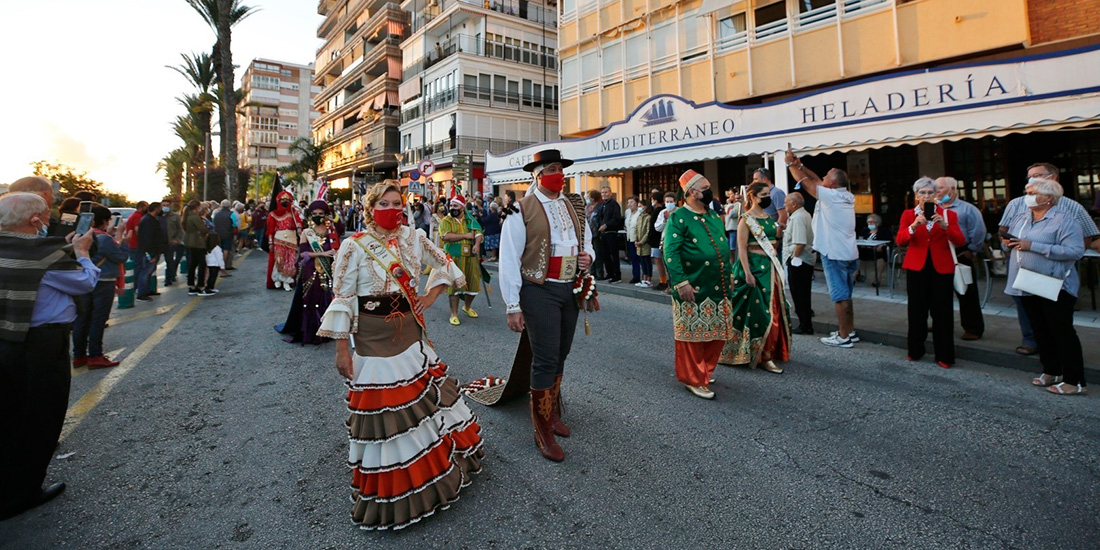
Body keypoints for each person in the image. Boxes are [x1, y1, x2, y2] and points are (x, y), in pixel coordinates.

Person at [316, 180, 483, 530]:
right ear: (370, 208)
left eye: (397, 203)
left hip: (410, 332)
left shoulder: (414, 237)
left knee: (420, 407)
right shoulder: (353, 245)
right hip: (373, 338)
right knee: (388, 415)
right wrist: (342, 349)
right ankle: (397, 487)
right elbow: (343, 299)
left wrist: (431, 296)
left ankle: (432, 475)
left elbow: (446, 267)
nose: (392, 210)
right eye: (385, 204)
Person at [487, 149, 595, 462]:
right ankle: (542, 429)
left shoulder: (573, 204)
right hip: (539, 289)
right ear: (536, 174)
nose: (558, 174)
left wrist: (590, 257)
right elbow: (508, 258)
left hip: (569, 287)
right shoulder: (522, 209)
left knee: (561, 352)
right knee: (546, 357)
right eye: (551, 168)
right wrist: (512, 304)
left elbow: (585, 243)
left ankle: (553, 413)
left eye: (560, 168)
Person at [0, 192, 99, 520]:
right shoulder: (43, 251)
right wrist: (81, 253)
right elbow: (84, 283)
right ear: (34, 220)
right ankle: (22, 492)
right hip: (41, 343)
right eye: (45, 214)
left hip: (6, 340)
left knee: (12, 416)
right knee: (42, 417)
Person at [999, 163, 1098, 355]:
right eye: (1029, 177)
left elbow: (1087, 236)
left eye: (1037, 175)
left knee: (1058, 323)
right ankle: (1034, 345)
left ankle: (1067, 369)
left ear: (1052, 178)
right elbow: (1004, 230)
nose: (1031, 180)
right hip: (1022, 271)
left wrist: (1061, 256)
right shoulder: (1018, 207)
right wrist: (1008, 243)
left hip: (1054, 274)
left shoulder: (1071, 208)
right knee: (1030, 314)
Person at [1001, 178, 1086, 395]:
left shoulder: (1064, 220)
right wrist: (1009, 243)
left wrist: (1033, 246)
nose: (1026, 195)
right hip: (1026, 282)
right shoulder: (1022, 216)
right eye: (1026, 190)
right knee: (1040, 329)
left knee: (1061, 331)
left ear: (1048, 198)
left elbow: (1075, 251)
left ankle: (1074, 380)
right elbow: (1017, 239)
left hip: (1055, 283)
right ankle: (1052, 370)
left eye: (1032, 192)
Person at [664, 170, 734, 399]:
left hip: (719, 285)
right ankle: (693, 378)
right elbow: (670, 252)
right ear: (691, 192)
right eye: (704, 188)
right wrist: (681, 282)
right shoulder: (678, 217)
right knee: (693, 335)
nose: (709, 191)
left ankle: (704, 370)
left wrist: (730, 273)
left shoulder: (713, 216)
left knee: (718, 333)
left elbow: (723, 249)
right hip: (693, 286)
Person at [786, 149, 859, 348]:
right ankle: (850, 331)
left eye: (828, 175)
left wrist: (791, 164)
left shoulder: (831, 197)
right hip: (848, 252)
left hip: (833, 253)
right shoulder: (844, 196)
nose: (824, 176)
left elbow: (807, 182)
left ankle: (843, 336)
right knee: (846, 295)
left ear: (833, 183)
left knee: (839, 296)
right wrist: (801, 165)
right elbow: (816, 179)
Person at [896, 177, 967, 368]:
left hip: (941, 267)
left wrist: (945, 227)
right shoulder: (908, 214)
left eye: (930, 192)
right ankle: (915, 350)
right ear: (916, 195)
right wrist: (914, 226)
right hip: (916, 267)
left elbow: (960, 240)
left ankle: (944, 355)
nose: (926, 196)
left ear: (936, 195)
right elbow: (900, 240)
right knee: (916, 310)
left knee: (942, 312)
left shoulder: (947, 215)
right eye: (922, 193)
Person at [721, 181, 791, 373]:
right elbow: (741, 249)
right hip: (752, 268)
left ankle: (769, 351)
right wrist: (748, 273)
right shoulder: (746, 219)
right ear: (753, 196)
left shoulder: (768, 218)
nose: (767, 198)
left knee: (775, 310)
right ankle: (760, 355)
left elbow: (774, 242)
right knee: (759, 312)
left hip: (769, 269)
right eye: (764, 195)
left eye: (768, 194)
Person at [72, 205, 128, 368]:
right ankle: (95, 355)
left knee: (82, 318)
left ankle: (79, 355)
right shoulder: (105, 239)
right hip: (103, 282)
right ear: (104, 221)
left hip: (82, 281)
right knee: (98, 318)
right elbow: (121, 257)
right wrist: (121, 238)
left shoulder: (79, 237)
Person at [277, 201, 339, 345]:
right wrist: (324, 253)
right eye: (315, 214)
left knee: (326, 298)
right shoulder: (307, 232)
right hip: (311, 269)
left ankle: (326, 330)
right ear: (310, 215)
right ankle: (311, 332)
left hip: (328, 269)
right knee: (312, 300)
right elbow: (303, 254)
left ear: (326, 215)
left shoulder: (331, 229)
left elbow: (338, 245)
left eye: (321, 214)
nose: (318, 216)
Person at [934, 177, 986, 340]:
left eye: (940, 188)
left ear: (952, 189)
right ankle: (939, 322)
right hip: (940, 252)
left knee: (967, 292)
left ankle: (973, 327)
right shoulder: (934, 209)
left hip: (961, 252)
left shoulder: (968, 209)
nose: (937, 192)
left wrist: (972, 249)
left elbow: (978, 232)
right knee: (938, 292)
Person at [439, 195, 483, 325]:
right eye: (451, 206)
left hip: (470, 257)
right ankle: (454, 314)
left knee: (473, 284)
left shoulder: (469, 220)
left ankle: (467, 307)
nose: (452, 208)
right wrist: (465, 235)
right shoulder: (446, 220)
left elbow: (479, 233)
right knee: (455, 286)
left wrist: (477, 244)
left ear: (462, 208)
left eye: (455, 206)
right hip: (454, 258)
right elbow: (445, 236)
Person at [784, 192, 816, 335]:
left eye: (786, 203)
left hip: (799, 260)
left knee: (799, 293)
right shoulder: (804, 214)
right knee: (802, 292)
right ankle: (805, 322)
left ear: (794, 204)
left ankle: (805, 324)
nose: (784, 206)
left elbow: (800, 242)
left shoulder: (797, 218)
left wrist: (793, 258)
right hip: (803, 260)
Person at [266, 190, 302, 290]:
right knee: (279, 260)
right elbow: (270, 230)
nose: (285, 201)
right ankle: (277, 279)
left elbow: (299, 222)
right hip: (279, 238)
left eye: (287, 199)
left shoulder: (294, 212)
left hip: (292, 238)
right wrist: (270, 242)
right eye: (283, 199)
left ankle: (287, 281)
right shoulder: (273, 214)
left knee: (290, 260)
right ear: (279, 201)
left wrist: (299, 227)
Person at [182, 200, 216, 297]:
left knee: (193, 264)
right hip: (198, 242)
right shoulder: (194, 217)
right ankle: (201, 286)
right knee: (202, 264)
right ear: (197, 207)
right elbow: (203, 229)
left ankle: (191, 285)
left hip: (190, 242)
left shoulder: (186, 216)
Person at [135, 201, 166, 301]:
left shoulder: (151, 219)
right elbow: (148, 238)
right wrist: (150, 254)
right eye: (160, 208)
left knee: (149, 271)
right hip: (149, 251)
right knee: (145, 272)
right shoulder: (148, 221)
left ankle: (147, 290)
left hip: (152, 251)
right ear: (156, 209)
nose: (161, 210)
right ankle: (142, 292)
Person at [596, 186, 624, 283]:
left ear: (610, 193)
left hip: (611, 232)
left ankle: (617, 275)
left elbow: (617, 218)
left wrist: (607, 225)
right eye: (602, 192)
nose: (604, 194)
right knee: (605, 254)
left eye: (606, 192)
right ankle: (610, 273)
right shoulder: (602, 205)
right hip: (603, 233)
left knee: (614, 255)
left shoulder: (614, 204)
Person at [855, 213, 890, 286]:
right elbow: (860, 239)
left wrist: (882, 245)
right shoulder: (864, 231)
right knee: (855, 254)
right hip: (865, 251)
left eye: (872, 222)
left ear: (878, 223)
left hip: (877, 252)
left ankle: (877, 280)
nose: (870, 224)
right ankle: (854, 276)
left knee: (881, 257)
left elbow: (889, 241)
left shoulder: (884, 231)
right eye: (869, 222)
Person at [630, 198, 653, 287]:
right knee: (642, 262)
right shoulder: (639, 217)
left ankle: (649, 279)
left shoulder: (648, 217)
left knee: (647, 261)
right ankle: (644, 278)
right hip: (639, 243)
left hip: (645, 244)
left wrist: (642, 241)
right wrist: (636, 240)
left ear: (645, 207)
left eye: (641, 206)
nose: (639, 208)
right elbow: (636, 229)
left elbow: (648, 231)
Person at [649, 191, 669, 291]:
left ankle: (663, 281)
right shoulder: (658, 211)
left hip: (658, 240)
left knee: (659, 262)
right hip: (656, 240)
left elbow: (656, 227)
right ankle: (664, 280)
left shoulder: (659, 211)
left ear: (656, 200)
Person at [161, 199, 183, 286]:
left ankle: (169, 278)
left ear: (170, 206)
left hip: (170, 242)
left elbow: (180, 229)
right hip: (159, 242)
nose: (165, 207)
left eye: (167, 205)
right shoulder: (158, 216)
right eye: (164, 205)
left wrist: (177, 239)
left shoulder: (175, 216)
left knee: (169, 260)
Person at [586, 189, 606, 279]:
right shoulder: (587, 207)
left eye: (589, 196)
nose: (587, 198)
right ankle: (592, 271)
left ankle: (599, 273)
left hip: (597, 233)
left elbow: (601, 219)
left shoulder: (600, 206)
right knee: (590, 252)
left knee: (598, 254)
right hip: (588, 233)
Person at [623, 196, 643, 284]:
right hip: (629, 237)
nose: (629, 204)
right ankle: (635, 275)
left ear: (636, 203)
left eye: (631, 202)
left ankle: (642, 276)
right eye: (628, 202)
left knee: (639, 258)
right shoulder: (627, 212)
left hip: (637, 238)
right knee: (633, 257)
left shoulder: (639, 212)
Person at [214, 199, 235, 275]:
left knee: (219, 249)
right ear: (229, 206)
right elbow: (235, 224)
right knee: (226, 249)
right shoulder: (231, 214)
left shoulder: (216, 214)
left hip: (217, 234)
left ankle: (219, 264)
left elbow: (214, 223)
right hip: (228, 234)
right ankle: (223, 265)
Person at [724, 188, 743, 260]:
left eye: (731, 194)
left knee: (733, 249)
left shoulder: (738, 204)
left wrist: (729, 204)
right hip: (728, 229)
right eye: (729, 194)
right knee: (729, 249)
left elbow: (732, 214)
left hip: (734, 229)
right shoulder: (731, 205)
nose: (730, 196)